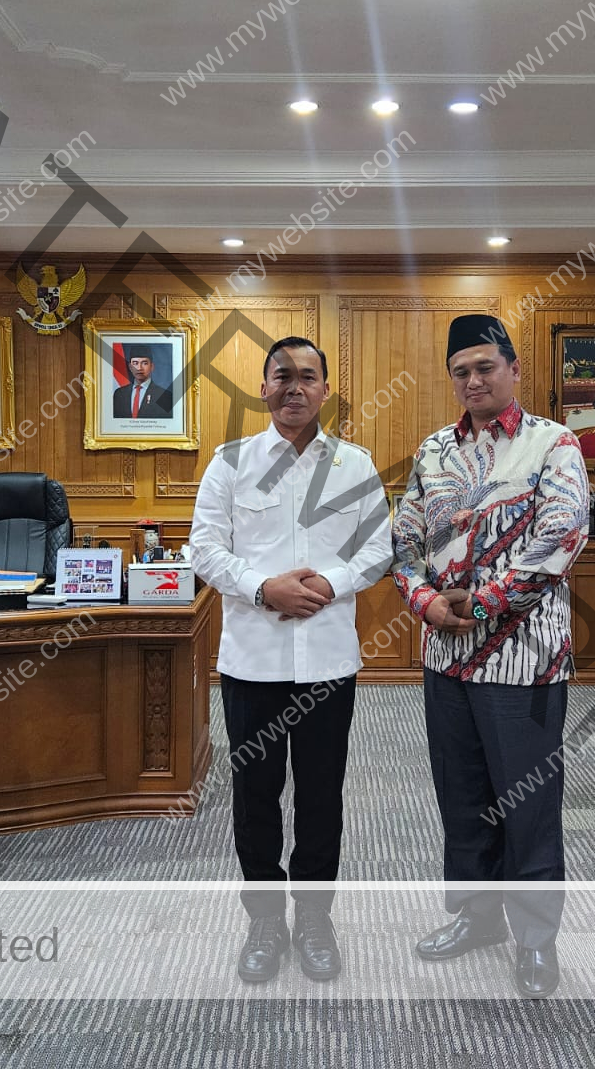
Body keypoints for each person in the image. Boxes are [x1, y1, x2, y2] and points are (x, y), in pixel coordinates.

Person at [392, 313, 590, 999]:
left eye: (485, 367)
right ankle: (477, 917)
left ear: (513, 369)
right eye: (461, 372)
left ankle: (537, 940)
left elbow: (560, 538)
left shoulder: (553, 445)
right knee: (464, 798)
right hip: (444, 660)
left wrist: (478, 604)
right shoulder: (433, 452)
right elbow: (404, 545)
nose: (473, 380)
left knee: (528, 803)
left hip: (525, 662)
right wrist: (425, 602)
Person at [189, 336, 392, 984]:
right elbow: (204, 549)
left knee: (321, 796)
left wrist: (331, 583)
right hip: (253, 662)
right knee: (254, 797)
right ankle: (265, 921)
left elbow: (378, 549)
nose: (295, 387)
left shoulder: (354, 466)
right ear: (263, 386)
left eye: (308, 377)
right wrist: (261, 587)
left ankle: (313, 918)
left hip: (329, 660)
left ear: (326, 390)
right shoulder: (229, 463)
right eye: (283, 376)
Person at [112, 345, 173, 418]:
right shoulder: (119, 394)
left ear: (152, 367)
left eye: (144, 363)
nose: (139, 368)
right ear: (130, 367)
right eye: (135, 363)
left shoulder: (165, 396)